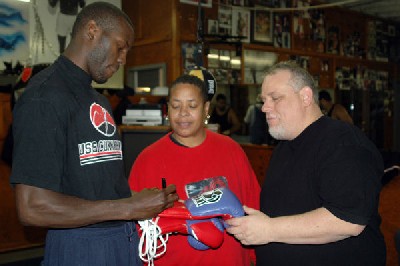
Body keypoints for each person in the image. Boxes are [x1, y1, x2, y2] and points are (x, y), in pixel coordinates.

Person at [10, 2, 178, 266]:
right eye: (120, 47)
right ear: (92, 31)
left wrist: (137, 199)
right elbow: (33, 207)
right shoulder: (43, 98)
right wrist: (129, 208)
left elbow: (91, 187)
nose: (123, 59)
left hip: (121, 239)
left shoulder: (97, 100)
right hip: (80, 247)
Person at [226, 61, 386, 265]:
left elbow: (348, 220)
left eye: (275, 98)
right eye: (264, 100)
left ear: (305, 97)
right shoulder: (284, 146)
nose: (265, 108)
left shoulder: (343, 142)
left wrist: (268, 229)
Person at [129, 74, 261, 265]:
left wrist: (254, 257)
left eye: (192, 106)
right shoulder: (148, 159)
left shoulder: (231, 150)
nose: (183, 113)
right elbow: (133, 228)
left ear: (206, 109)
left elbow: (253, 207)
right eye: (176, 106)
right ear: (167, 110)